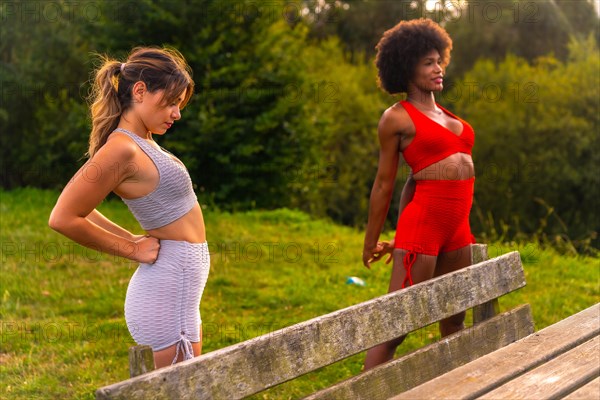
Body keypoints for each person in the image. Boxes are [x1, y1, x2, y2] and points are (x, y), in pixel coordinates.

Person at [48, 47, 210, 369]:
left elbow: (86, 208)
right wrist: (131, 249)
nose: (177, 113)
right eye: (172, 101)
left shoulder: (143, 142)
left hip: (181, 294)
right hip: (165, 294)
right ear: (140, 91)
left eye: (180, 104)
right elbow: (64, 216)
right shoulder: (122, 149)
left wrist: (134, 239)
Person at [362, 18, 476, 370]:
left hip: (457, 231)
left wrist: (399, 237)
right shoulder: (396, 118)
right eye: (428, 63)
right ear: (406, 67)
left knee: (455, 321)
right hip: (425, 228)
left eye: (438, 60)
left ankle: (458, 390)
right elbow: (384, 184)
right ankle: (364, 391)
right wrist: (372, 240)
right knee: (396, 328)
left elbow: (414, 180)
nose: (438, 68)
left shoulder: (444, 114)